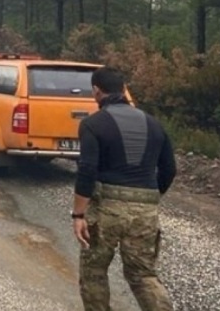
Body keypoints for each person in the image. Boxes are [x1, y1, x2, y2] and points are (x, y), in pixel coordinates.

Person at [72, 67, 176, 311]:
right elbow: (169, 169)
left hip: (106, 208)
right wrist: (148, 196)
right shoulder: (154, 124)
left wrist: (78, 214)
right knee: (143, 275)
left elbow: (87, 169)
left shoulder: (92, 124)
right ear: (123, 89)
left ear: (97, 91)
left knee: (94, 272)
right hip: (145, 209)